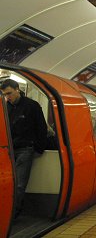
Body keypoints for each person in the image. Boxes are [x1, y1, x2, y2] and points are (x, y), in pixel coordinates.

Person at [0, 79, 47, 218]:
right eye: (4, 95)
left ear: (17, 89)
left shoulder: (32, 106)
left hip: (25, 149)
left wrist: (39, 148)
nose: (8, 97)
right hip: (8, 150)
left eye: (9, 93)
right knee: (7, 183)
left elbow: (41, 128)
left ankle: (12, 214)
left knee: (19, 184)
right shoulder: (5, 107)